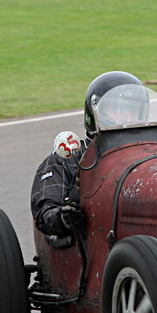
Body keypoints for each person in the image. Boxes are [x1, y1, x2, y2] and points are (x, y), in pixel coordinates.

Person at [30, 71, 147, 239]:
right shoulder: (70, 158)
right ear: (94, 113)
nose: (126, 117)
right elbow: (44, 211)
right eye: (116, 110)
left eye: (132, 110)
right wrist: (65, 217)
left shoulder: (152, 154)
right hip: (91, 242)